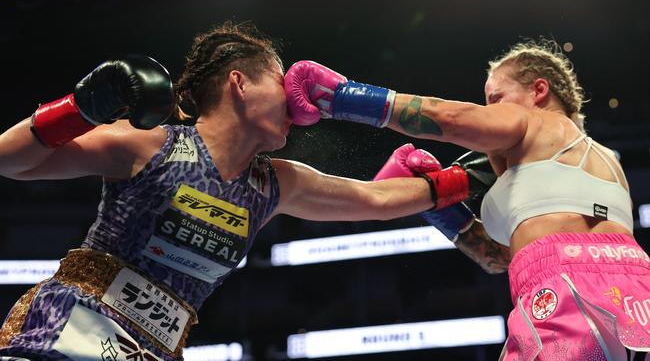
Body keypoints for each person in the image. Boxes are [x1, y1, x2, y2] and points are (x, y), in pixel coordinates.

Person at [0, 22, 472, 361]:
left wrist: (462, 180)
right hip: (70, 329)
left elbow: (375, 200)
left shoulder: (273, 183)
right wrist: (82, 107)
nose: (293, 97)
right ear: (239, 83)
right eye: (279, 78)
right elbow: (9, 160)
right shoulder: (149, 145)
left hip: (153, 350)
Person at [285, 40, 650, 360]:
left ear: (539, 91)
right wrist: (445, 212)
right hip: (638, 297)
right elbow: (501, 259)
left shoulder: (534, 123)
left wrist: (344, 97)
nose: (490, 110)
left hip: (565, 289)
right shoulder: (603, 163)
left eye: (496, 99)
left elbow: (450, 117)